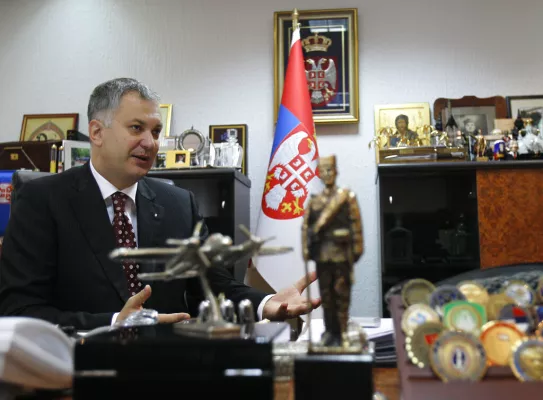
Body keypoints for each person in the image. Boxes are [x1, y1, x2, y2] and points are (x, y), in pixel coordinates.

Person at [0, 78, 320, 330]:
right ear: (97, 132)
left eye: (155, 131)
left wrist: (267, 304)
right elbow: (20, 310)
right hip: (77, 371)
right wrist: (112, 323)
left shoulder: (179, 204)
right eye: (137, 128)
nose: (150, 143)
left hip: (167, 370)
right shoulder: (42, 201)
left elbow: (214, 286)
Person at [302, 155, 363, 347]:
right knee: (326, 297)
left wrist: (356, 251)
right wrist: (305, 248)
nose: (327, 174)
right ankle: (330, 332)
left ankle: (342, 333)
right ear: (318, 174)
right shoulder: (315, 201)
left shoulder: (346, 196)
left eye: (330, 170)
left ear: (336, 172)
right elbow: (306, 227)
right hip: (322, 255)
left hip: (342, 254)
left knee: (342, 295)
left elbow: (356, 225)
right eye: (323, 170)